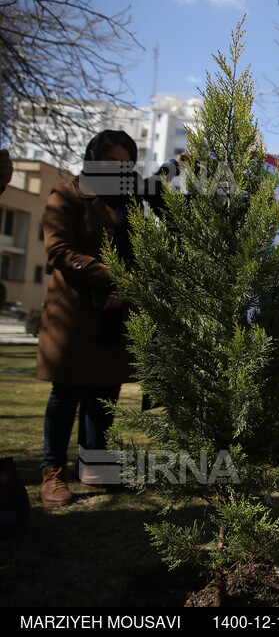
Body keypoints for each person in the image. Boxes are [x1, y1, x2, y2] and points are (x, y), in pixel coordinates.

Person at [36, 130, 141, 505]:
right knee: (65, 394)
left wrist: (126, 287)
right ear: (93, 158)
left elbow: (139, 253)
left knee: (104, 392)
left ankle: (94, 468)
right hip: (74, 312)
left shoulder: (130, 204)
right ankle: (52, 472)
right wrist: (113, 275)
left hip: (114, 312)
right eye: (112, 161)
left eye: (126, 164)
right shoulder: (67, 194)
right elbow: (59, 251)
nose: (119, 169)